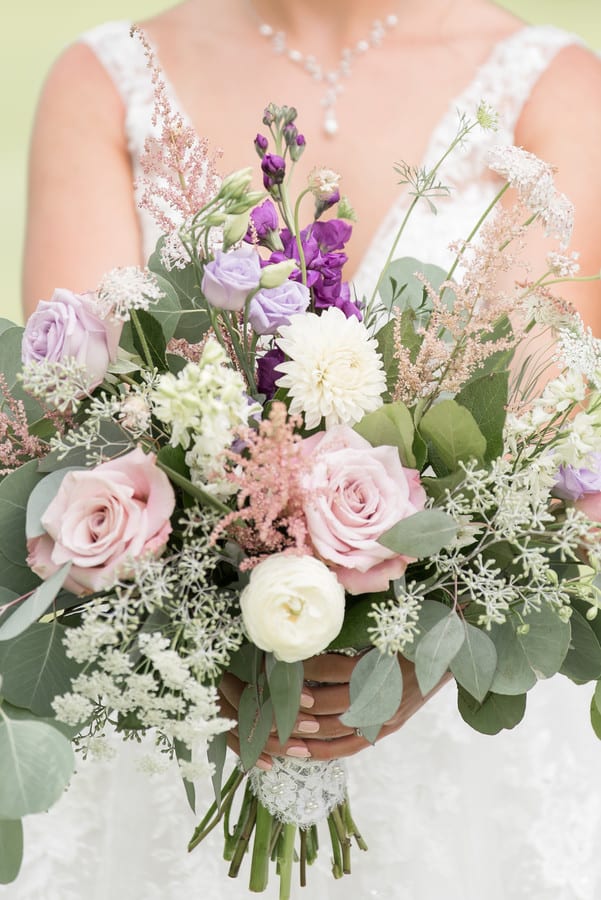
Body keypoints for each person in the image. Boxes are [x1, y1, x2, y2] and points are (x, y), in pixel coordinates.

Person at [10, 1, 601, 898]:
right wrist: (219, 643)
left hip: (452, 740)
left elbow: (531, 431)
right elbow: (83, 425)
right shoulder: (105, 76)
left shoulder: (559, 87)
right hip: (181, 706)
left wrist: (416, 654)